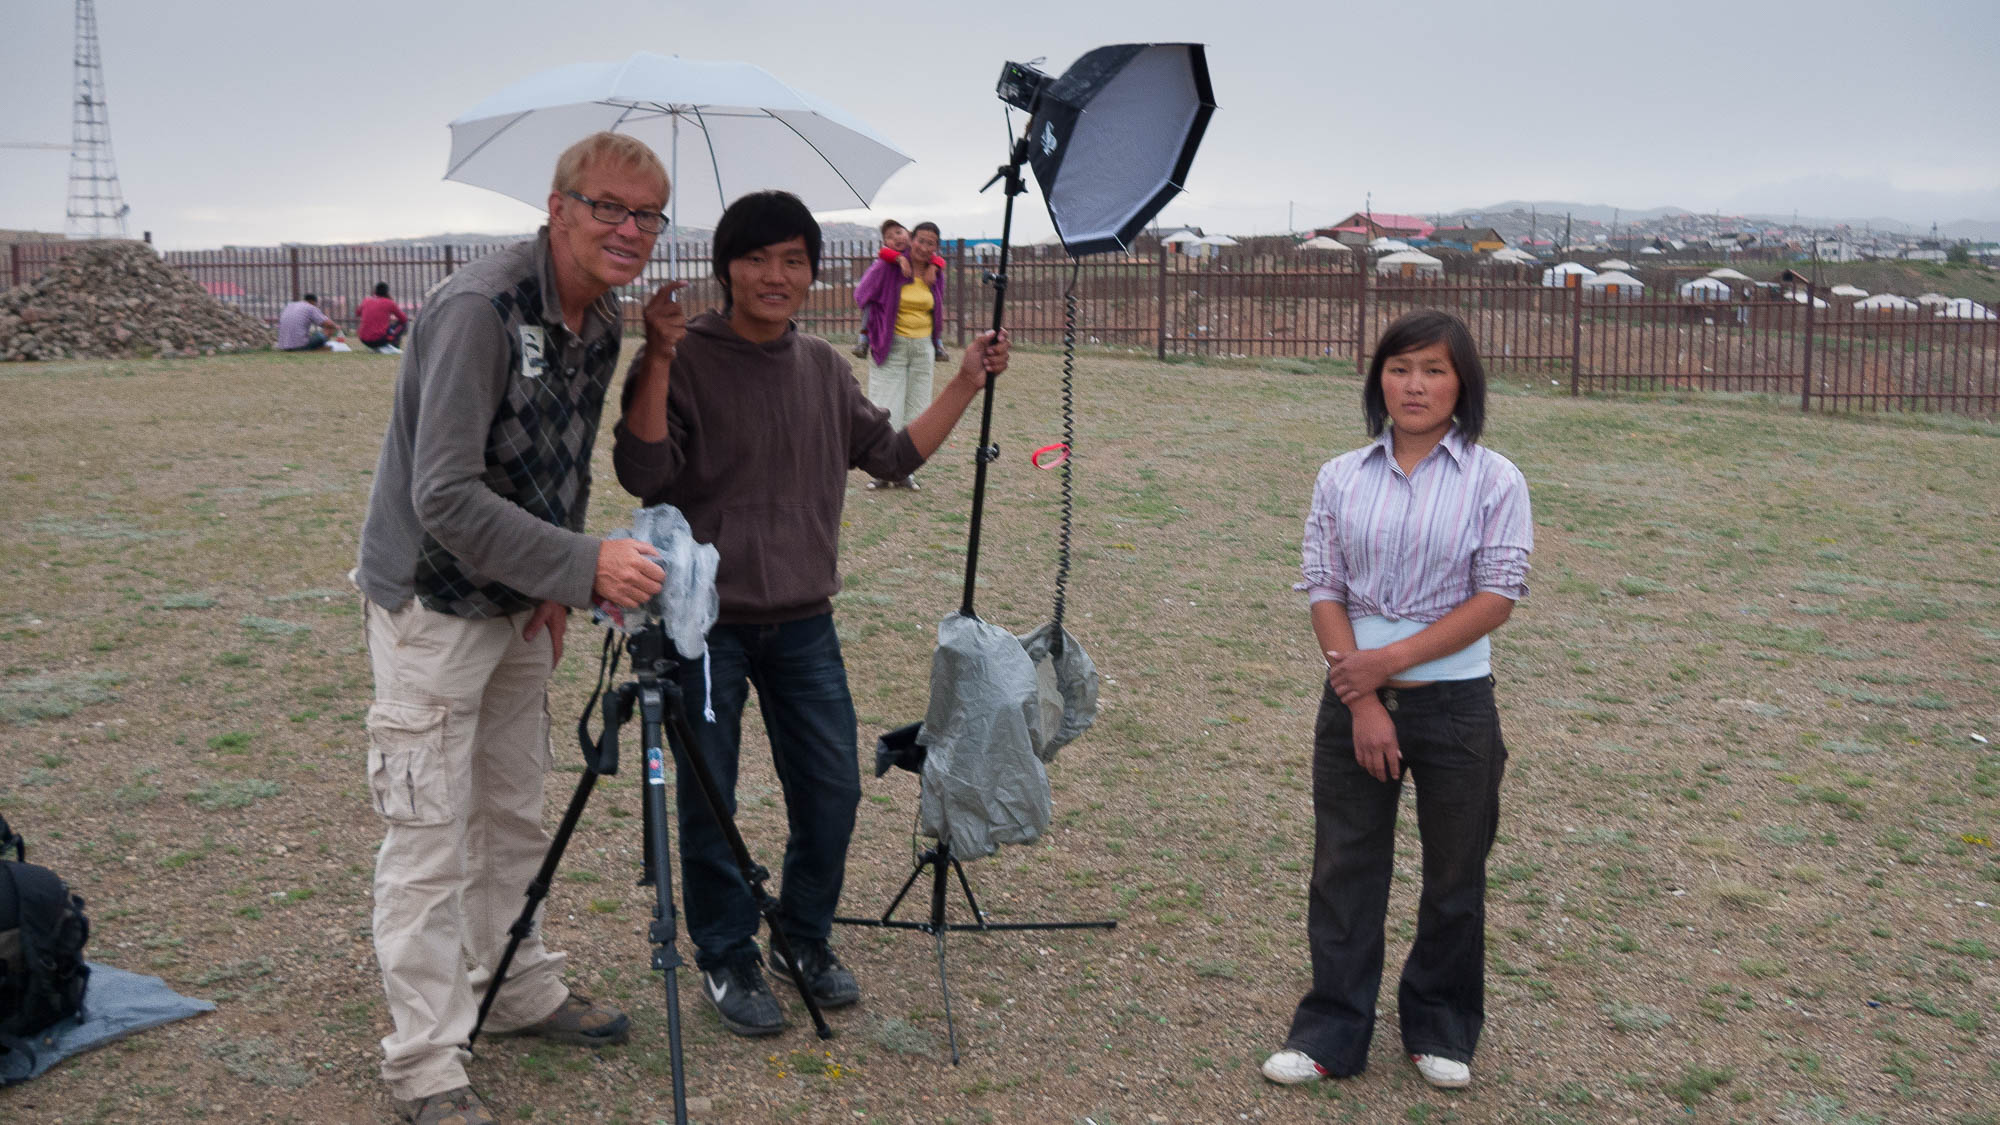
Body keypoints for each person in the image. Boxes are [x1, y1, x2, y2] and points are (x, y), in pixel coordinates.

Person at [612, 190, 1008, 1039]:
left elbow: (894, 455)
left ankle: (801, 932)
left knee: (831, 792)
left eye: (794, 260)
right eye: (757, 258)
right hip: (704, 623)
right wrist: (654, 358)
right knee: (710, 793)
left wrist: (968, 381)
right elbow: (644, 472)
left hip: (803, 622)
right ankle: (725, 950)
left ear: (813, 273)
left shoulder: (824, 369)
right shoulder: (685, 356)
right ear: (726, 267)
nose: (775, 275)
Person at [353, 131, 685, 1125]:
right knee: (429, 830)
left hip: (520, 600)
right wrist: (583, 566)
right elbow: (443, 492)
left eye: (648, 216)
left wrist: (552, 573)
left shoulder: (604, 318)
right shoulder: (477, 310)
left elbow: (562, 458)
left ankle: (515, 985)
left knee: (513, 805)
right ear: (557, 207)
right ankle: (422, 1061)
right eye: (608, 208)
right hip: (434, 601)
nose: (629, 231)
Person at [1263, 310, 1533, 1093]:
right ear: (1378, 377)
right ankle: (1329, 1031)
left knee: (1456, 871)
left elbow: (1499, 594)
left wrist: (1393, 660)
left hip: (1456, 706)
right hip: (1354, 699)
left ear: (1463, 384)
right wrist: (1365, 693)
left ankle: (1441, 1025)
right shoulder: (1341, 474)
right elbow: (1324, 586)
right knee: (1345, 865)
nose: (1415, 385)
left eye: (1435, 370)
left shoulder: (1495, 478)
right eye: (1400, 367)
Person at [853, 220, 948, 489]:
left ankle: (906, 471)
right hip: (891, 344)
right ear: (911, 239)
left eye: (931, 243)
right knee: (886, 407)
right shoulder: (889, 265)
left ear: (936, 248)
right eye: (920, 240)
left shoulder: (935, 271)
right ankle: (881, 470)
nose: (924, 247)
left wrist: (935, 267)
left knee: (917, 410)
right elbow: (862, 294)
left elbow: (937, 308)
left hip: (922, 349)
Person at [850, 218, 911, 358]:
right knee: (870, 308)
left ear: (908, 233)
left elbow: (936, 259)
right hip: (878, 298)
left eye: (898, 232)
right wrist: (900, 259)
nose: (896, 238)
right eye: (889, 237)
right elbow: (883, 253)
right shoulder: (886, 259)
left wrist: (934, 266)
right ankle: (863, 340)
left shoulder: (915, 254)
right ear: (885, 243)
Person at [357, 282, 410, 353]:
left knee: (385, 327)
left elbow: (358, 313)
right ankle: (394, 346)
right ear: (387, 292)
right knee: (403, 324)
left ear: (375, 291)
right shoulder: (389, 302)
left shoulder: (366, 300)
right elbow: (404, 319)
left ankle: (379, 347)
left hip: (363, 339)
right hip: (379, 340)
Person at [277, 293, 341, 351]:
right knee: (321, 334)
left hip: (283, 346)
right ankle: (321, 347)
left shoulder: (290, 305)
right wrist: (335, 326)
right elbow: (328, 323)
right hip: (300, 346)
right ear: (313, 302)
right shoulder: (310, 307)